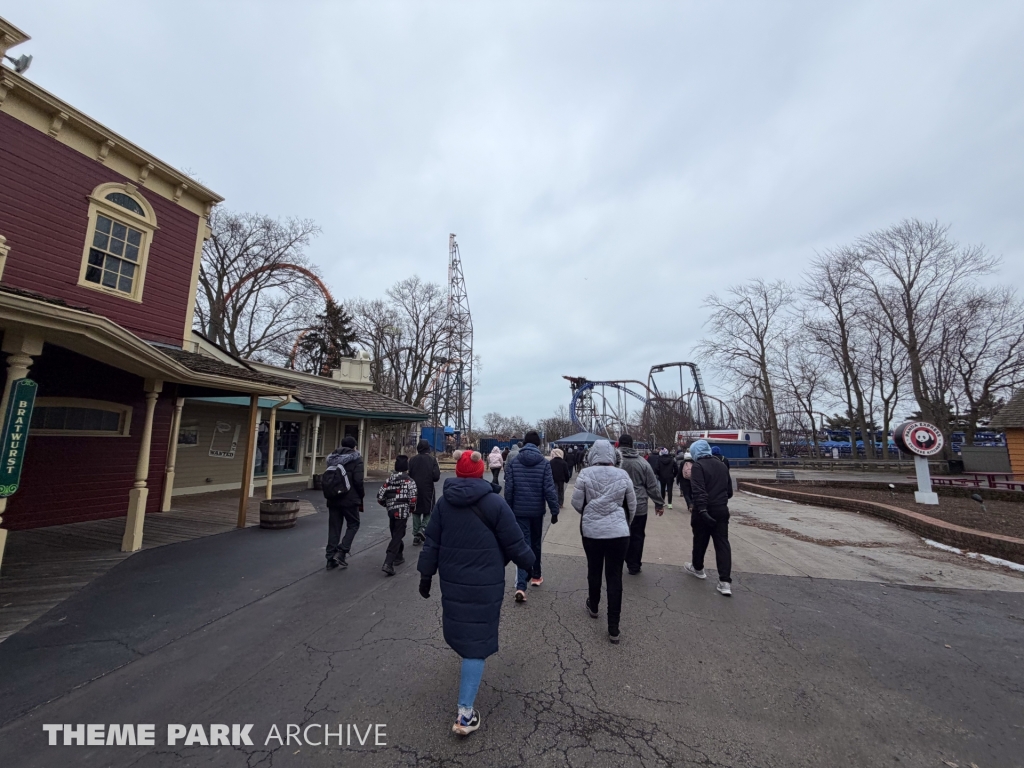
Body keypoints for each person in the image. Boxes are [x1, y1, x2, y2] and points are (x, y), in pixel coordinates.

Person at [417, 449, 535, 736]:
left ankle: (467, 688)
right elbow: (515, 542)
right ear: (481, 470)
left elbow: (431, 542)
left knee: (465, 631)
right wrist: (529, 564)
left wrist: (425, 575)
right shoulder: (495, 503)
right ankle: (465, 714)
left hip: (454, 579)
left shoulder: (445, 504)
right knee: (476, 642)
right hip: (486, 580)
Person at [571, 439, 637, 643]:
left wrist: (590, 512)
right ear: (613, 456)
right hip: (619, 533)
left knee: (594, 568)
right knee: (615, 576)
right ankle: (614, 627)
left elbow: (576, 503)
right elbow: (632, 505)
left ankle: (594, 605)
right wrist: (624, 522)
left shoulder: (585, 474)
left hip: (592, 532)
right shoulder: (623, 474)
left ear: (591, 456)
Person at [504, 430, 559, 599]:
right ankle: (536, 575)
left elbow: (509, 489)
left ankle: (521, 585)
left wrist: (508, 509)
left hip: (519, 511)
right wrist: (554, 510)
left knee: (523, 544)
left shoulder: (514, 462)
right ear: (538, 445)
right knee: (536, 543)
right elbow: (549, 489)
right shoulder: (544, 463)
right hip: (537, 510)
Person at [685, 439, 734, 596]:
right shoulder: (722, 465)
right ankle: (725, 582)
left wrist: (703, 510)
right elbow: (730, 491)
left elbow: (698, 490)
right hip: (721, 509)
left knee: (700, 540)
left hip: (703, 510)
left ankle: (698, 568)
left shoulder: (698, 466)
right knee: (722, 544)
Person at [617, 434, 664, 575]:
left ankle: (618, 561)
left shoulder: (613, 462)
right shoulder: (643, 463)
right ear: (632, 445)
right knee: (637, 536)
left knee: (617, 535)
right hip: (639, 505)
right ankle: (634, 565)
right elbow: (652, 485)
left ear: (619, 444)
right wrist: (659, 503)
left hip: (618, 505)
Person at [324, 436, 365, 569]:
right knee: (353, 524)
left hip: (333, 497)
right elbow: (358, 481)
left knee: (334, 527)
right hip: (350, 498)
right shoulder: (356, 460)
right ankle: (342, 551)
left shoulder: (332, 459)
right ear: (354, 447)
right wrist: (361, 495)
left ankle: (330, 558)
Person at [376, 455, 417, 575]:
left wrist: (387, 504)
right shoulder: (409, 481)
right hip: (402, 512)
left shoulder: (388, 481)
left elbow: (380, 496)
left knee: (395, 533)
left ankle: (399, 556)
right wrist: (411, 509)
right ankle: (388, 562)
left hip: (391, 511)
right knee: (398, 535)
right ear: (406, 468)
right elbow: (413, 499)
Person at [409, 439, 441, 546]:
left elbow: (409, 474)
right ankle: (422, 529)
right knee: (429, 510)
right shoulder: (432, 460)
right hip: (428, 488)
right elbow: (436, 477)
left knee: (416, 510)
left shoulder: (412, 460)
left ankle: (416, 535)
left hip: (414, 488)